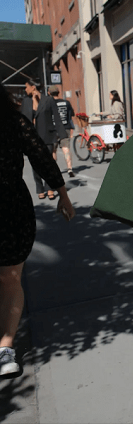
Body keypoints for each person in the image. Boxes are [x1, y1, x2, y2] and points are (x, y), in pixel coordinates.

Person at [0, 81, 76, 378]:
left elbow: (40, 155)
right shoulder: (14, 121)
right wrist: (63, 194)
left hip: (10, 209)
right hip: (11, 207)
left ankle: (5, 346)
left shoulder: (13, 122)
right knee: (9, 279)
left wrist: (62, 193)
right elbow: (39, 155)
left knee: (9, 278)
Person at [31, 82, 68, 200]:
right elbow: (29, 116)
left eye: (27, 87)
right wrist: (33, 101)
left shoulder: (49, 100)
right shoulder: (27, 101)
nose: (26, 89)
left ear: (33, 88)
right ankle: (40, 188)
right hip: (32, 137)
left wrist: (62, 135)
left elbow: (57, 117)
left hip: (47, 136)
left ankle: (49, 187)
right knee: (36, 164)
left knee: (48, 163)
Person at [49, 86, 76, 177]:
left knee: (53, 150)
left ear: (49, 93)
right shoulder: (66, 102)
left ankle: (54, 170)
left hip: (53, 129)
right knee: (66, 148)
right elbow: (71, 114)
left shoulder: (49, 103)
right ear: (58, 92)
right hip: (65, 128)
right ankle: (70, 169)